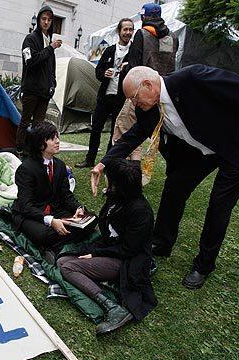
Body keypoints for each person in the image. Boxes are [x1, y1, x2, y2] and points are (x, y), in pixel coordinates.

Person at [91, 65, 239, 289]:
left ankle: (203, 265)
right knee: (174, 187)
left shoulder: (192, 79)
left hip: (236, 147)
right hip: (200, 150)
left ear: (148, 85)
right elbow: (133, 136)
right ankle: (162, 241)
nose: (133, 103)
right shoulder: (147, 108)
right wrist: (104, 163)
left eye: (133, 97)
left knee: (219, 206)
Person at [58, 158, 156, 334]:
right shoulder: (117, 198)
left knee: (68, 267)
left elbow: (129, 249)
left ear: (119, 184)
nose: (105, 179)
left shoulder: (141, 212)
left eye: (109, 177)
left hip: (127, 260)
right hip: (111, 248)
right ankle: (105, 282)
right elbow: (107, 231)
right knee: (62, 259)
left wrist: (94, 254)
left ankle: (112, 308)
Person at [11, 122, 95, 261]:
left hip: (56, 210)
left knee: (92, 219)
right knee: (45, 234)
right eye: (52, 138)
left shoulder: (60, 165)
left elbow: (66, 195)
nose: (57, 141)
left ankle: (56, 246)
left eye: (57, 137)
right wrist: (51, 221)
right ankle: (52, 248)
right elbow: (26, 206)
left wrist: (78, 208)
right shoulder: (26, 169)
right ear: (39, 145)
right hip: (30, 214)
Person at [111, 2, 178, 163]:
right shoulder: (173, 37)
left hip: (140, 93)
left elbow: (134, 68)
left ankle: (120, 180)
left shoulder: (141, 34)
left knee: (123, 134)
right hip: (161, 94)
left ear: (143, 17)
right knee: (148, 135)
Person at [75, 18, 134, 168]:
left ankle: (107, 162)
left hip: (122, 98)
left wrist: (128, 68)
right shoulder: (109, 50)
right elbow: (98, 71)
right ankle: (90, 159)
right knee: (96, 128)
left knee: (115, 131)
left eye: (130, 29)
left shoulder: (135, 52)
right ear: (119, 31)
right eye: (125, 29)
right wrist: (104, 73)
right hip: (105, 96)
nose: (128, 32)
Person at [15, 5, 62, 157]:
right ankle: (20, 149)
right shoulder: (30, 39)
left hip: (44, 91)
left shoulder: (48, 40)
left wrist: (52, 84)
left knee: (38, 125)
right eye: (44, 19)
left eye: (49, 19)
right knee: (25, 121)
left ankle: (32, 150)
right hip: (30, 90)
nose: (46, 22)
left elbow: (51, 68)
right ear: (39, 20)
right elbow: (31, 61)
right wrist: (50, 48)